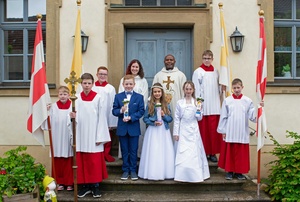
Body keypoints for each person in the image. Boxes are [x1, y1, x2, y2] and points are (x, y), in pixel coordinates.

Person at [69, 73, 110, 198]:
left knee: (94, 162)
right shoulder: (75, 98)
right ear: (81, 84)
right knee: (82, 161)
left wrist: (100, 136)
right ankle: (85, 186)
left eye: (89, 83)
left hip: (94, 134)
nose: (86, 86)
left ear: (92, 84)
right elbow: (71, 116)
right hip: (81, 134)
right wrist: (71, 117)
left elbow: (102, 118)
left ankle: (95, 186)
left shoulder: (98, 97)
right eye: (84, 83)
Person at [217, 78, 263, 180]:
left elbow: (252, 116)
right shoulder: (227, 101)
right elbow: (223, 116)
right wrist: (223, 131)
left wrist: (259, 108)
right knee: (230, 151)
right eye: (234, 88)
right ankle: (229, 171)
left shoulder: (247, 101)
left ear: (242, 87)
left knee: (240, 153)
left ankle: (239, 172)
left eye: (238, 87)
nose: (236, 90)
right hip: (230, 130)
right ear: (232, 89)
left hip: (242, 130)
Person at [173, 81, 210, 182]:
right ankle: (182, 175)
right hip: (183, 129)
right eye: (186, 89)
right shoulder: (180, 103)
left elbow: (199, 118)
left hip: (193, 129)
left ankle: (195, 175)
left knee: (194, 151)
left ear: (193, 90)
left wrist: (199, 110)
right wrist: (176, 132)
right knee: (183, 151)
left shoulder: (197, 102)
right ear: (184, 90)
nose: (188, 91)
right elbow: (177, 118)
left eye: (190, 89)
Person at [192, 50, 223, 162]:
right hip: (204, 105)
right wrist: (199, 105)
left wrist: (222, 88)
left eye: (209, 58)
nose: (206, 60)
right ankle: (204, 152)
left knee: (213, 132)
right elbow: (196, 89)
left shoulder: (216, 71)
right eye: (205, 58)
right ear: (202, 59)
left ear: (212, 59)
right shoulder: (198, 72)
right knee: (204, 131)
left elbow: (219, 88)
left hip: (214, 104)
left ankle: (212, 153)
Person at [138, 83, 175, 180]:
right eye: (155, 92)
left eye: (159, 91)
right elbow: (145, 119)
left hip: (163, 131)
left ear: (162, 92)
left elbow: (170, 119)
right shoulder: (149, 104)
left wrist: (164, 115)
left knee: (163, 150)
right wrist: (153, 122)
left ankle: (165, 172)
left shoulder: (166, 104)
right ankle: (152, 172)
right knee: (153, 149)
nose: (157, 93)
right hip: (153, 131)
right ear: (152, 93)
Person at [112, 74, 145, 181]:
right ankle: (125, 170)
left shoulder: (139, 97)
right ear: (123, 84)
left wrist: (131, 117)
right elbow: (114, 111)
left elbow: (141, 111)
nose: (128, 86)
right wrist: (121, 111)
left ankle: (133, 170)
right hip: (122, 127)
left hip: (133, 127)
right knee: (125, 150)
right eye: (126, 84)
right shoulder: (118, 96)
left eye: (131, 84)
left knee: (133, 150)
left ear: (134, 84)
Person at [118, 59, 148, 158]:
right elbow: (121, 96)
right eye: (133, 66)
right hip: (124, 114)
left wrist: (135, 112)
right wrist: (125, 110)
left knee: (136, 137)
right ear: (130, 67)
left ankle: (138, 154)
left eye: (136, 67)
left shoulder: (143, 80)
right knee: (124, 143)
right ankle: (125, 158)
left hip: (136, 114)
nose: (134, 68)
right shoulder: (123, 79)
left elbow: (144, 96)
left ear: (139, 69)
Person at [48, 86, 73, 191]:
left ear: (69, 95)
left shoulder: (72, 106)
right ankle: (60, 182)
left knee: (68, 159)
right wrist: (47, 112)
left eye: (65, 94)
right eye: (61, 94)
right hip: (57, 135)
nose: (63, 96)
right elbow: (48, 122)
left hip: (68, 135)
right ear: (58, 95)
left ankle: (69, 182)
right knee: (58, 159)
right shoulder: (53, 107)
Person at [93, 66, 118, 162]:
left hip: (106, 116)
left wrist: (111, 122)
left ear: (107, 75)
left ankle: (106, 154)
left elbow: (112, 104)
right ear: (97, 74)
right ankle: (97, 155)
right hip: (94, 116)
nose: (102, 76)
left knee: (107, 135)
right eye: (100, 74)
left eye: (104, 74)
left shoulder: (110, 88)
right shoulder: (92, 87)